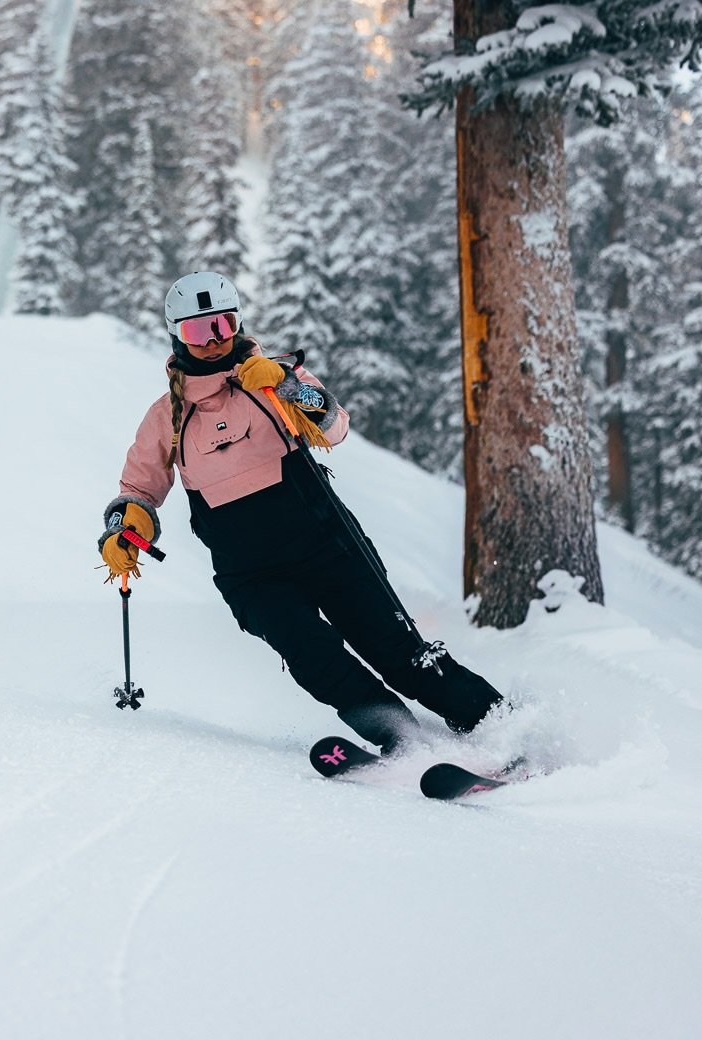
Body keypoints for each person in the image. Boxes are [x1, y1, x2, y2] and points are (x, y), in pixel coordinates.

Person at [99, 271, 504, 753]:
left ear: (237, 323)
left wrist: (287, 387)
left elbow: (334, 427)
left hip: (328, 546)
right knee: (317, 662)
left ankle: (499, 725)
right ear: (176, 336)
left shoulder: (274, 381)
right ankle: (405, 742)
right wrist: (126, 525)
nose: (213, 341)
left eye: (222, 325)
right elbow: (139, 486)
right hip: (251, 575)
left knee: (398, 653)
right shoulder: (168, 415)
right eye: (197, 331)